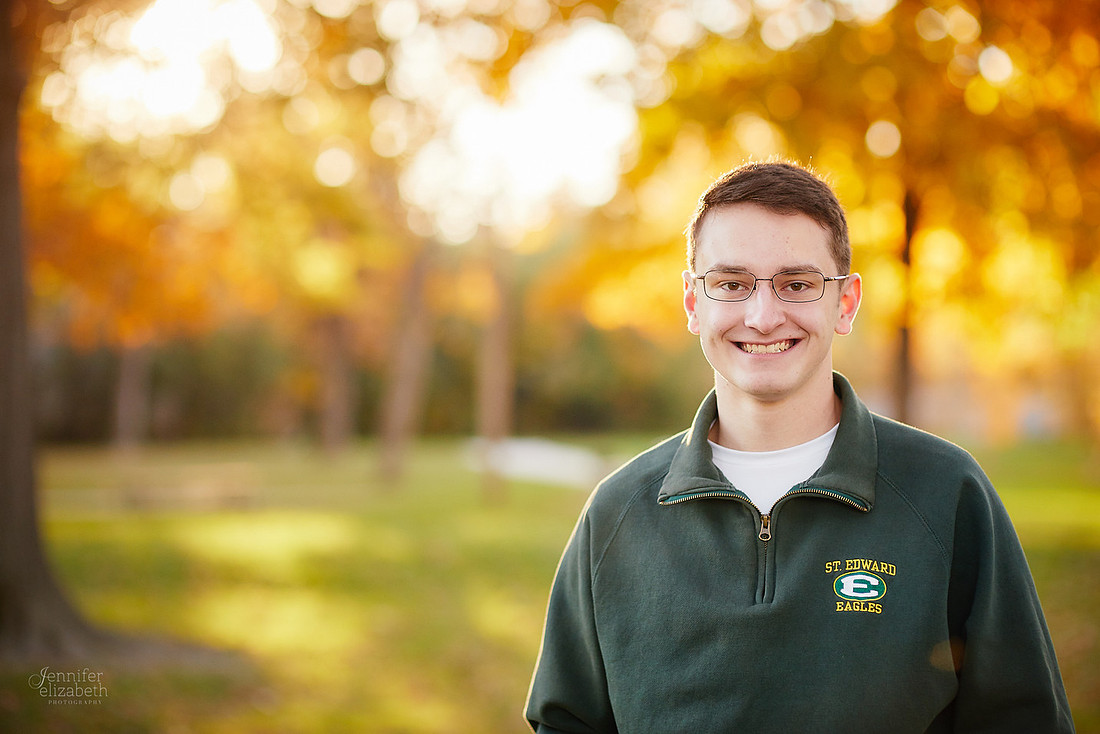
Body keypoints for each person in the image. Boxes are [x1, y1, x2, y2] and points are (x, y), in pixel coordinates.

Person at [524, 161, 1074, 733]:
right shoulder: (618, 513)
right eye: (732, 284)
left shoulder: (946, 494)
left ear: (846, 302)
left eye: (797, 284)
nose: (763, 317)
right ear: (692, 302)